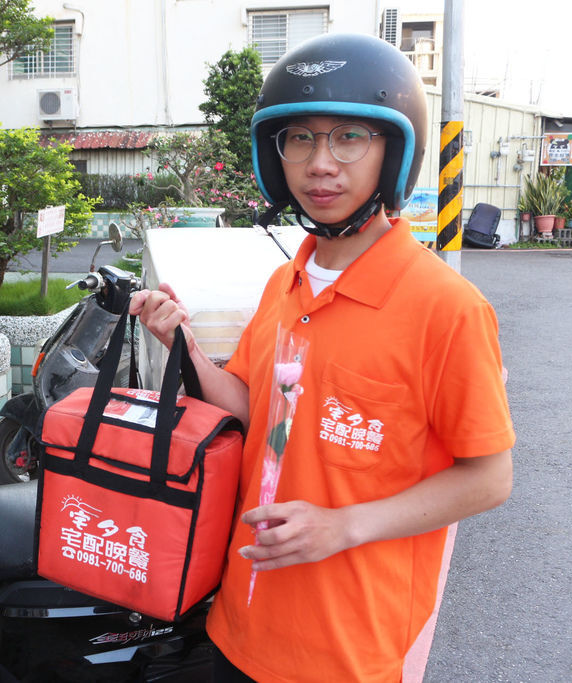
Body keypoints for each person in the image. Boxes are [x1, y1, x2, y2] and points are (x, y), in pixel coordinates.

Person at [131, 33, 514, 682]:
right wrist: (183, 346)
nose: (320, 164)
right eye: (300, 139)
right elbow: (253, 408)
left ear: (395, 153)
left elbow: (489, 477)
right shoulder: (285, 284)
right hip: (238, 625)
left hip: (347, 653)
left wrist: (344, 526)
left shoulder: (446, 307)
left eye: (349, 137)